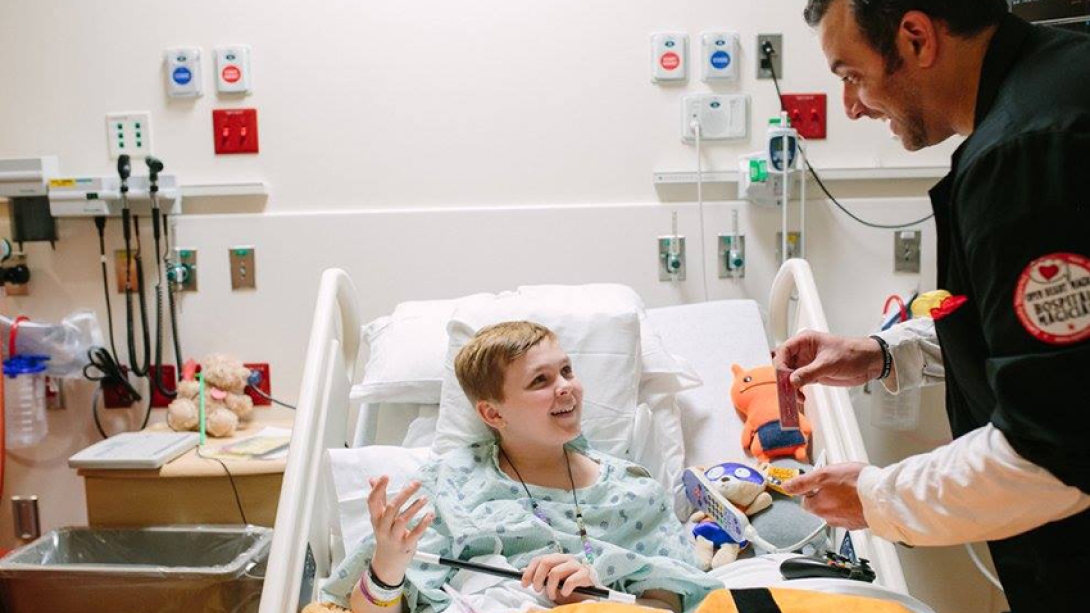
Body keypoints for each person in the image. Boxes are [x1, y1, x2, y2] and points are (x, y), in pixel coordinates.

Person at [774, 1, 1090, 610]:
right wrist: (884, 353)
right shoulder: (1059, 84)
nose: (852, 106)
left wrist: (875, 496)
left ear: (917, 38)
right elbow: (1044, 345)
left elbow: (1052, 449)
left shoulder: (1025, 156)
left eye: (853, 76)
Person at [321, 321, 719, 613]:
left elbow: (670, 606)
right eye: (540, 381)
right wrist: (387, 566)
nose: (565, 386)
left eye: (566, 371)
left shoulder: (633, 493)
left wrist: (593, 595)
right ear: (493, 413)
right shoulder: (450, 486)